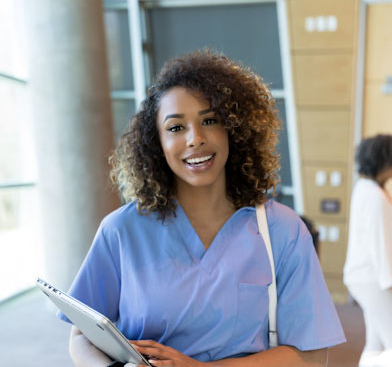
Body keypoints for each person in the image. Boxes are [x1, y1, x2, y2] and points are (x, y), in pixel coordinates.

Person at [61, 49, 345, 367]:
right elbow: (81, 336)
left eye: (209, 120)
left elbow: (312, 355)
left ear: (233, 130)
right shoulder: (120, 231)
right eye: (176, 127)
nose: (195, 138)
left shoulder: (282, 230)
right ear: (158, 144)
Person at [343, 134, 392, 367]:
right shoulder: (375, 196)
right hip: (375, 279)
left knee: (376, 343)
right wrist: (389, 282)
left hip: (362, 277)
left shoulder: (364, 188)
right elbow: (380, 244)